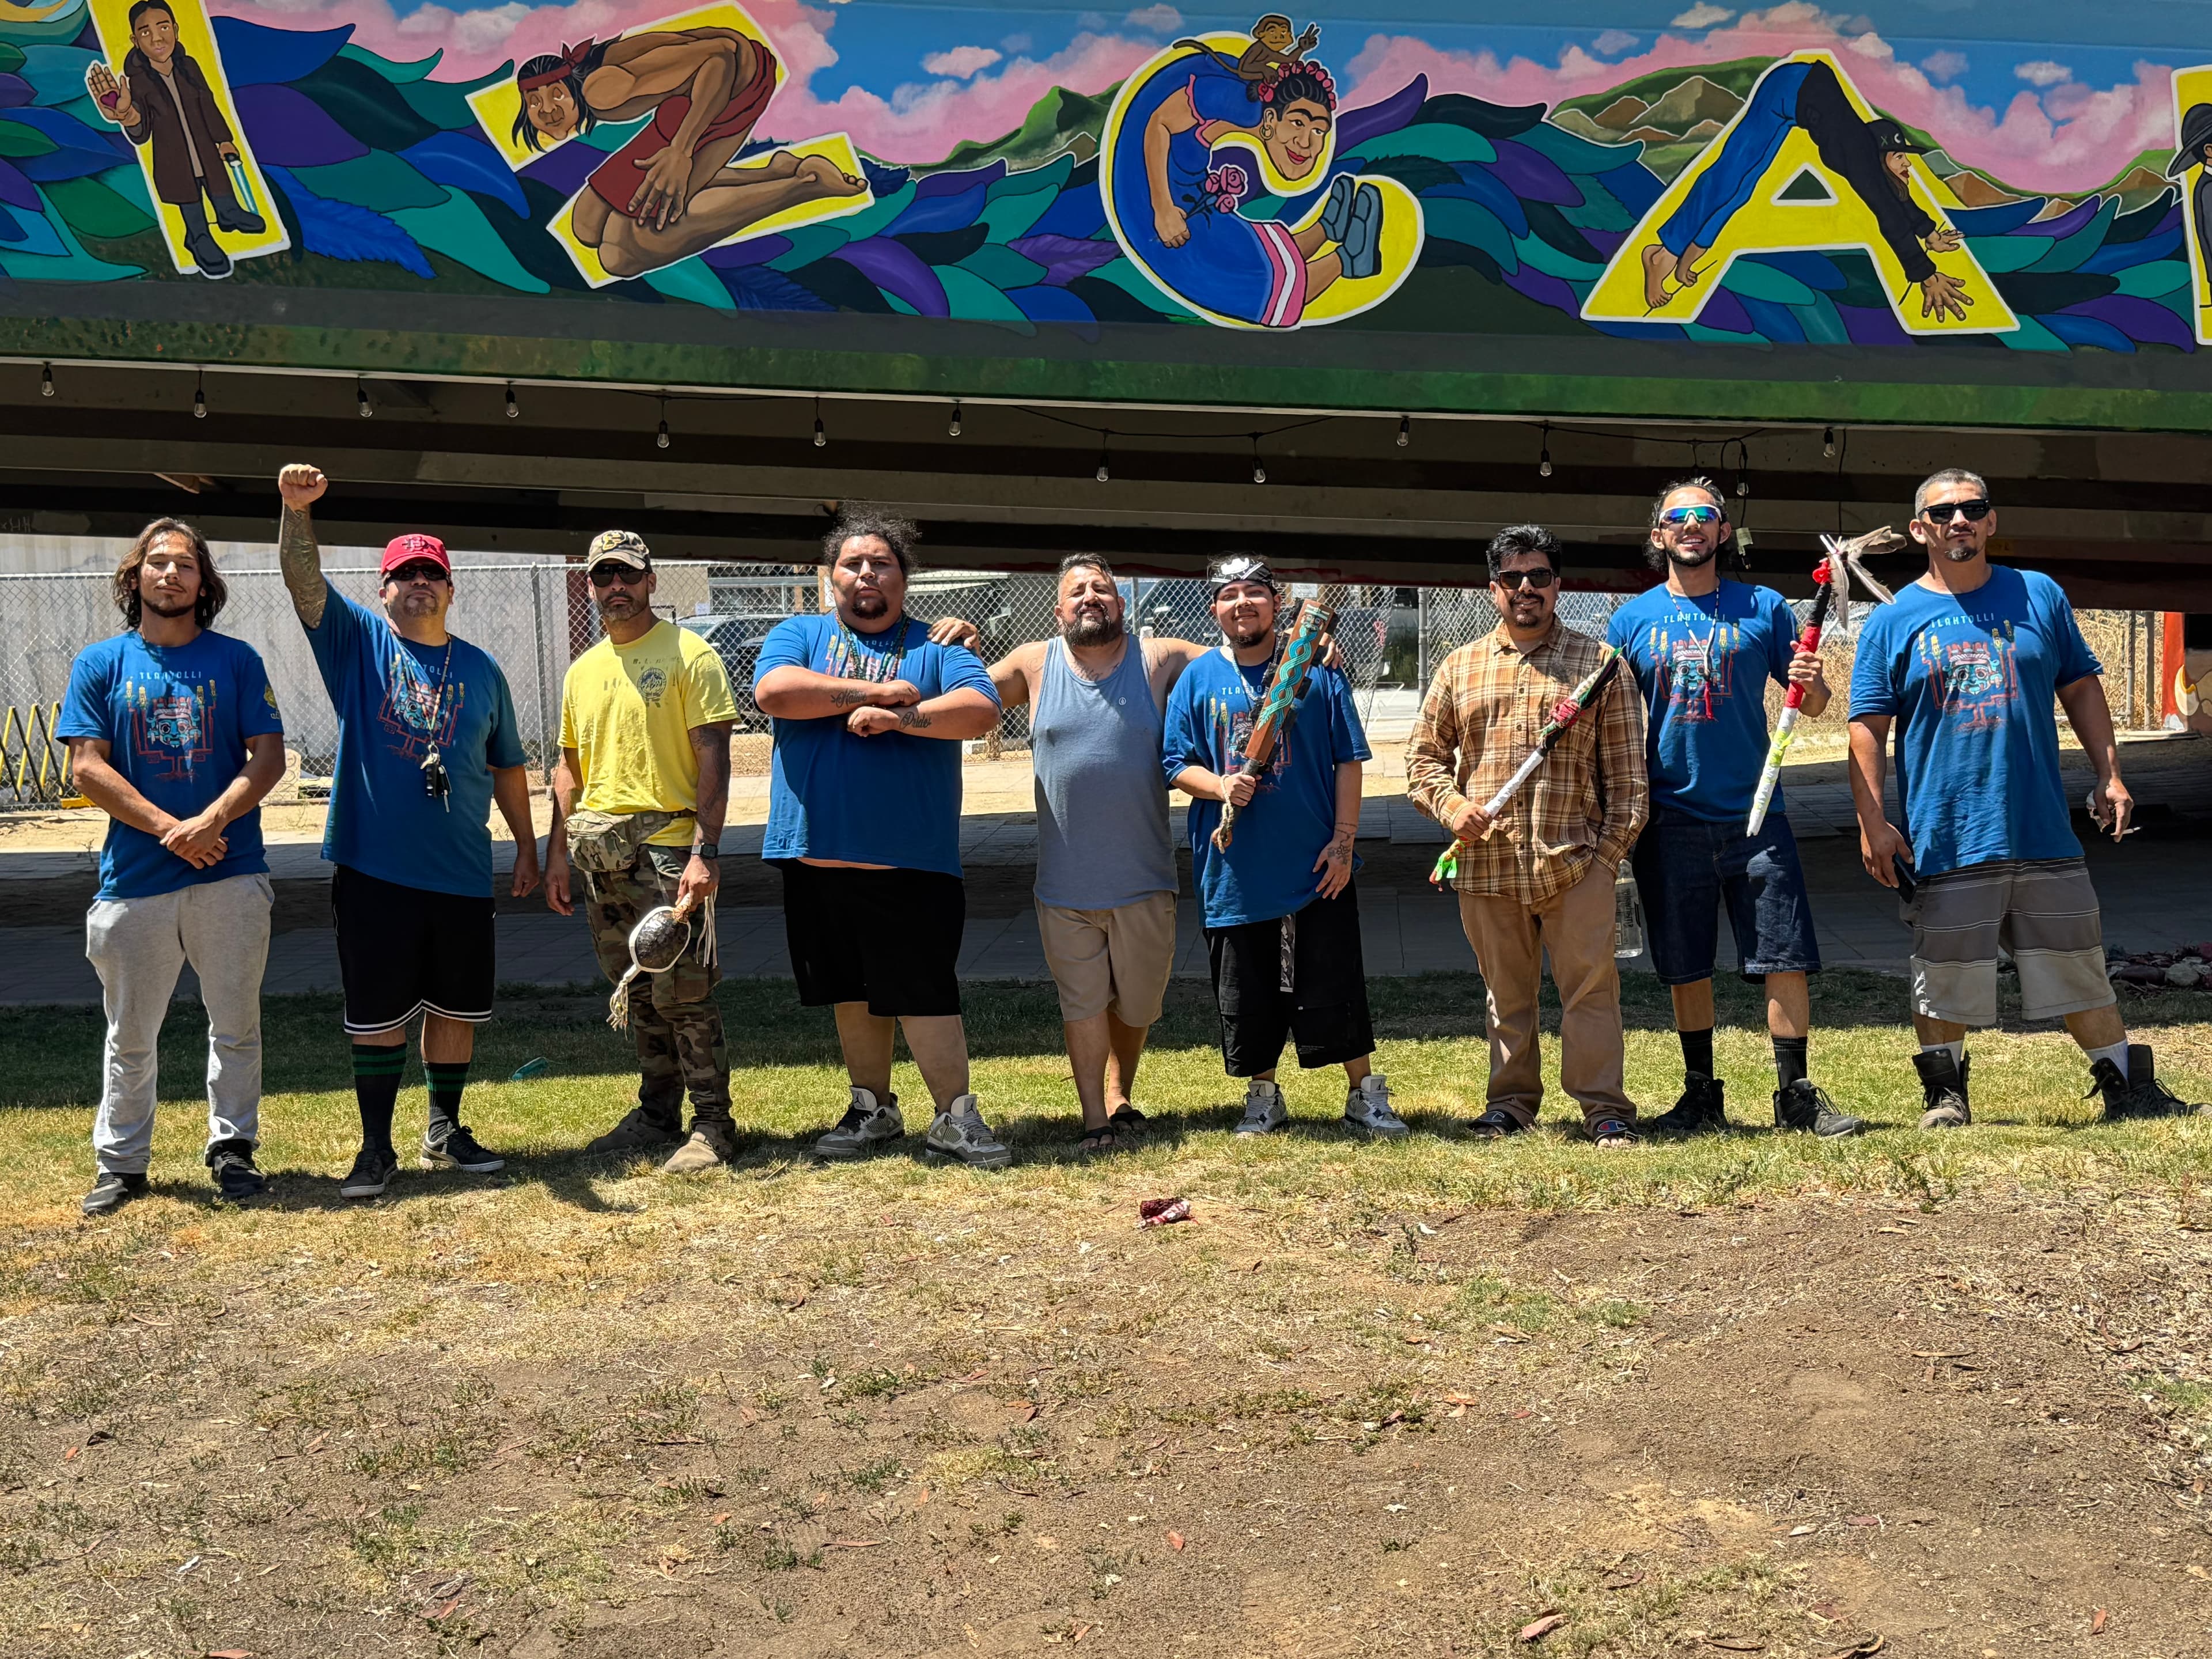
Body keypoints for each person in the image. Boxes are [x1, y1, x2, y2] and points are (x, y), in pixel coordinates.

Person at [1848, 468, 2205, 1125]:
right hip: (1950, 833)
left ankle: (2128, 1088)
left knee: (2078, 965)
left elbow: (2082, 686)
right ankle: (1946, 1097)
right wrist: (1873, 823)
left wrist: (2110, 773)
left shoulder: (2038, 595)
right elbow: (1866, 728)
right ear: (1919, 529)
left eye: (1972, 509)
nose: (1959, 521)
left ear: (1990, 522)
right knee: (1943, 971)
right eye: (1943, 512)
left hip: (2041, 828)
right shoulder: (1893, 621)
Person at [275, 465, 543, 1198]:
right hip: (376, 869)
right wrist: (297, 514)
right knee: (377, 1013)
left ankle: (444, 1129)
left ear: (451, 589)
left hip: (459, 869)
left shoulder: (483, 670)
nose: (419, 584)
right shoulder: (357, 641)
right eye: (404, 575)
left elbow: (508, 766)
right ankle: (374, 1148)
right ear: (383, 590)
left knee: (456, 1008)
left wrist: (525, 844)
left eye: (432, 574)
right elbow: (303, 583)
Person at [1605, 480, 1863, 1139]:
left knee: (1783, 954)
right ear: (1658, 534)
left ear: (1723, 532)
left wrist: (1814, 685)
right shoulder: (1631, 622)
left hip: (1757, 816)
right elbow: (1607, 719)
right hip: (1670, 816)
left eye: (1705, 516)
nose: (1691, 525)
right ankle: (1701, 1095)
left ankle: (1795, 1096)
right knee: (1686, 962)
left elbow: (1813, 702)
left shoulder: (1766, 608)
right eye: (1676, 517)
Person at [752, 510, 1010, 1166]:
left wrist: (903, 717)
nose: (866, 574)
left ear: (904, 577)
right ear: (832, 577)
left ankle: (955, 1116)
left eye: (882, 563)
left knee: (923, 991)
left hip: (909, 858)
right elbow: (775, 693)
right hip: (815, 855)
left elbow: (981, 710)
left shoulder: (941, 644)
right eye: (852, 564)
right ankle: (873, 1108)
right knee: (851, 991)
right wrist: (871, 689)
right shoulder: (799, 633)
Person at [61, 518, 285, 1215]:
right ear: (136, 579)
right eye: (157, 564)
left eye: (184, 565)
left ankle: (233, 1150)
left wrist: (211, 823)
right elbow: (85, 765)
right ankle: (122, 1164)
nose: (170, 575)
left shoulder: (238, 660)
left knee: (236, 1024)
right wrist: (172, 831)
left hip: (230, 872)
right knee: (130, 1033)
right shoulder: (101, 664)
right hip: (136, 882)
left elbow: (269, 757)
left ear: (204, 582)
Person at [1405, 525, 1647, 1146]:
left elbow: (1629, 782)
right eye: (1512, 579)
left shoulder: (1600, 666)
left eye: (1539, 576)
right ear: (1493, 589)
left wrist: (1605, 860)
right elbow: (1424, 759)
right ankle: (1511, 1103)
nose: (1526, 589)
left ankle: (1603, 1108)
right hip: (1487, 869)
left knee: (1591, 993)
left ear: (1558, 585)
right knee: (1505, 996)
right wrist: (1453, 808)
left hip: (1575, 865)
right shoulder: (1460, 668)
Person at [1162, 555, 1403, 1138]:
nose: (1241, 603)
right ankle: (1263, 1095)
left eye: (1254, 592)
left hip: (1314, 861)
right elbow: (1175, 764)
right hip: (1235, 868)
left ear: (1277, 602)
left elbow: (1349, 760)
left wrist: (1344, 843)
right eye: (1228, 594)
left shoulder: (1317, 673)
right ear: (1214, 607)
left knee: (1334, 978)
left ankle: (1364, 1092)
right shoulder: (1197, 680)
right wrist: (1220, 785)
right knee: (1247, 989)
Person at [545, 531, 740, 1173]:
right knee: (639, 992)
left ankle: (712, 1125)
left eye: (626, 575)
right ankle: (658, 1114)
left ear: (651, 580)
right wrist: (556, 856)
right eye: (603, 577)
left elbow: (714, 756)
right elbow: (568, 772)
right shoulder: (582, 670)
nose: (615, 588)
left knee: (684, 994)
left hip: (668, 853)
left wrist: (705, 853)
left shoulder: (691, 655)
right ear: (592, 587)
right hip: (604, 863)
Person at [509, 27, 863, 279]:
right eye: (535, 102)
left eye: (555, 94)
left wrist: (682, 150)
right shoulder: (597, 86)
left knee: (621, 254)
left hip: (732, 92)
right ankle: (777, 170)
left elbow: (719, 60)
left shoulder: (601, 92)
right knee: (586, 223)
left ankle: (804, 184)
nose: (548, 111)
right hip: (690, 95)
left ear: (570, 84)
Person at [1639, 58, 1969, 323]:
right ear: (1882, 157)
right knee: (1728, 181)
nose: (1908, 166)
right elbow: (1887, 212)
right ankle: (1661, 255)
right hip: (1785, 89)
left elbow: (1892, 195)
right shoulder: (1861, 159)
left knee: (1740, 193)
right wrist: (1925, 275)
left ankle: (1685, 260)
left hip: (1795, 100)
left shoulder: (1869, 156)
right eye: (1901, 158)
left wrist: (1928, 232)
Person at [1111, 36, 1381, 327]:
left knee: (1235, 239)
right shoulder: (1238, 101)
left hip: (1185, 187)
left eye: (1319, 131)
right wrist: (1162, 209)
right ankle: (1349, 259)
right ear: (1268, 121)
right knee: (1228, 276)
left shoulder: (1257, 108)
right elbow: (1159, 122)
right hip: (1144, 200)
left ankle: (1326, 230)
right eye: (1298, 123)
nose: (1306, 142)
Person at [86, 1, 268, 279]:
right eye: (145, 32)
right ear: (135, 41)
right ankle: (198, 239)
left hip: (205, 147)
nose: (157, 37)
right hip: (174, 158)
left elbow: (208, 103)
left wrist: (223, 140)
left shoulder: (190, 67)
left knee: (217, 181)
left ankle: (228, 214)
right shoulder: (138, 82)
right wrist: (126, 114)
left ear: (176, 29)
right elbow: (142, 130)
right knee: (189, 198)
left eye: (163, 27)